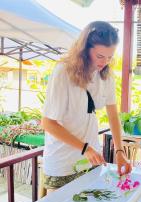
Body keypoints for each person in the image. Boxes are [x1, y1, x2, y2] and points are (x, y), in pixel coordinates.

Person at [41, 21, 131, 193]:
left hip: (91, 162)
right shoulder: (63, 72)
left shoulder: (106, 77)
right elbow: (47, 123)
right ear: (84, 49)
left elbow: (113, 116)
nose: (105, 62)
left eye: (110, 57)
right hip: (62, 164)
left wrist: (120, 151)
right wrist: (85, 148)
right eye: (100, 56)